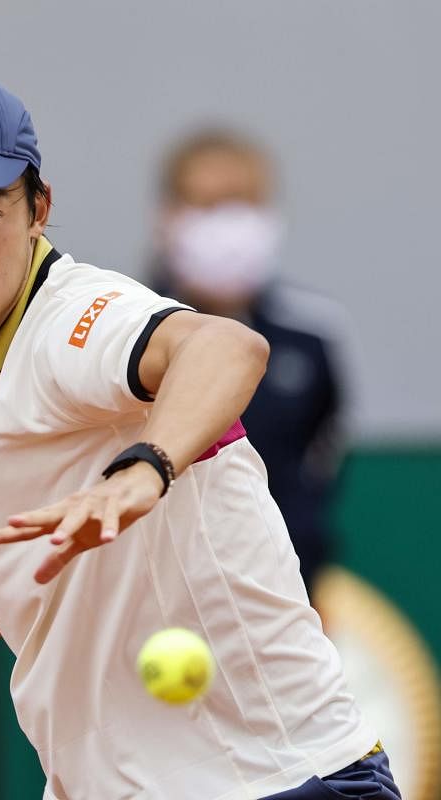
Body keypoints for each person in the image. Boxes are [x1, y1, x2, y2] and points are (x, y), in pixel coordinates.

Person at [0, 66, 397, 799]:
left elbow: (225, 347)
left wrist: (144, 469)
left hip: (274, 782)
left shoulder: (75, 320)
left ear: (38, 211)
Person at [149, 129, 350, 601]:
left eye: (241, 204)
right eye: (208, 205)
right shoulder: (125, 331)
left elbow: (320, 470)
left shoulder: (313, 335)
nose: (227, 225)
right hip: (158, 603)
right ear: (169, 218)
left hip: (286, 602)